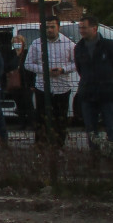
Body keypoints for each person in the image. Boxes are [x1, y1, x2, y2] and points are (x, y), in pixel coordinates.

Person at [73, 15, 113, 152]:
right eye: (80, 28)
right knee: (91, 128)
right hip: (88, 93)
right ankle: (95, 155)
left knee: (111, 127)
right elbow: (80, 69)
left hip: (107, 93)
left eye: (84, 27)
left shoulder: (109, 46)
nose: (81, 31)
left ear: (94, 28)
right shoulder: (79, 48)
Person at [24, 17, 76, 147]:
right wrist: (44, 70)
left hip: (62, 87)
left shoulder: (68, 43)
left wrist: (63, 70)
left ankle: (59, 145)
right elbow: (28, 64)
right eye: (47, 27)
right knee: (41, 118)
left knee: (61, 118)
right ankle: (41, 144)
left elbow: (76, 63)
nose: (50, 30)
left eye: (52, 27)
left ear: (58, 27)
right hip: (43, 87)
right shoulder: (36, 43)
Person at [5, 33, 32, 126]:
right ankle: (22, 124)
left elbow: (30, 69)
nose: (17, 43)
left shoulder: (27, 53)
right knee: (19, 105)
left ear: (23, 43)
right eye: (15, 42)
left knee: (28, 104)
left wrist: (32, 84)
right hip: (15, 84)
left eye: (18, 42)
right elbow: (7, 67)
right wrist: (16, 56)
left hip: (26, 83)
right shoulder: (11, 54)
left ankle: (31, 123)